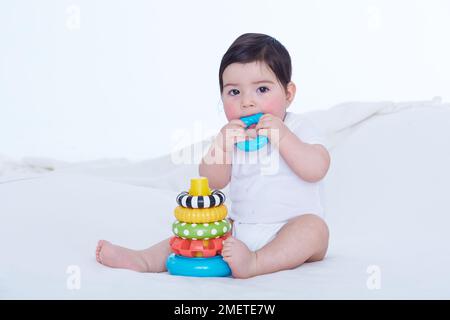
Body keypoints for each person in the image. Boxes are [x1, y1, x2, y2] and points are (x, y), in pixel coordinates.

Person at [96, 33, 330, 279]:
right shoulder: (232, 136)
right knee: (200, 232)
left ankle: (256, 263)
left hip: (290, 228)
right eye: (234, 92)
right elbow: (212, 181)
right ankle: (144, 259)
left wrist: (282, 136)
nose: (247, 102)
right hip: (239, 230)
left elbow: (316, 169)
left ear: (288, 94)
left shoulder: (298, 127)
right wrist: (222, 145)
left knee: (314, 229)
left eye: (262, 89)